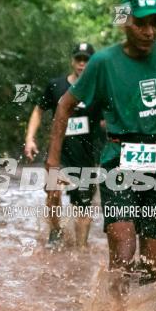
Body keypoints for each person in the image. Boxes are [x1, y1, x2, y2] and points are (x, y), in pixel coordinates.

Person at [45, 0, 156, 293]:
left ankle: (127, 305)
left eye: (154, 24)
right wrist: (53, 164)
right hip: (117, 163)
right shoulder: (103, 62)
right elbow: (64, 105)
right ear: (125, 23)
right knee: (123, 253)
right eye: (140, 24)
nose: (149, 32)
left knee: (154, 269)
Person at [24, 42, 102, 247]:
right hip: (58, 154)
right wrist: (30, 139)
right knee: (53, 192)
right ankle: (55, 231)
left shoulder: (98, 90)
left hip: (86, 156)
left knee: (83, 206)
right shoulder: (55, 86)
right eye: (79, 59)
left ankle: (81, 247)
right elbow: (38, 110)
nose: (82, 64)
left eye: (87, 60)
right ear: (72, 61)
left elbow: (108, 119)